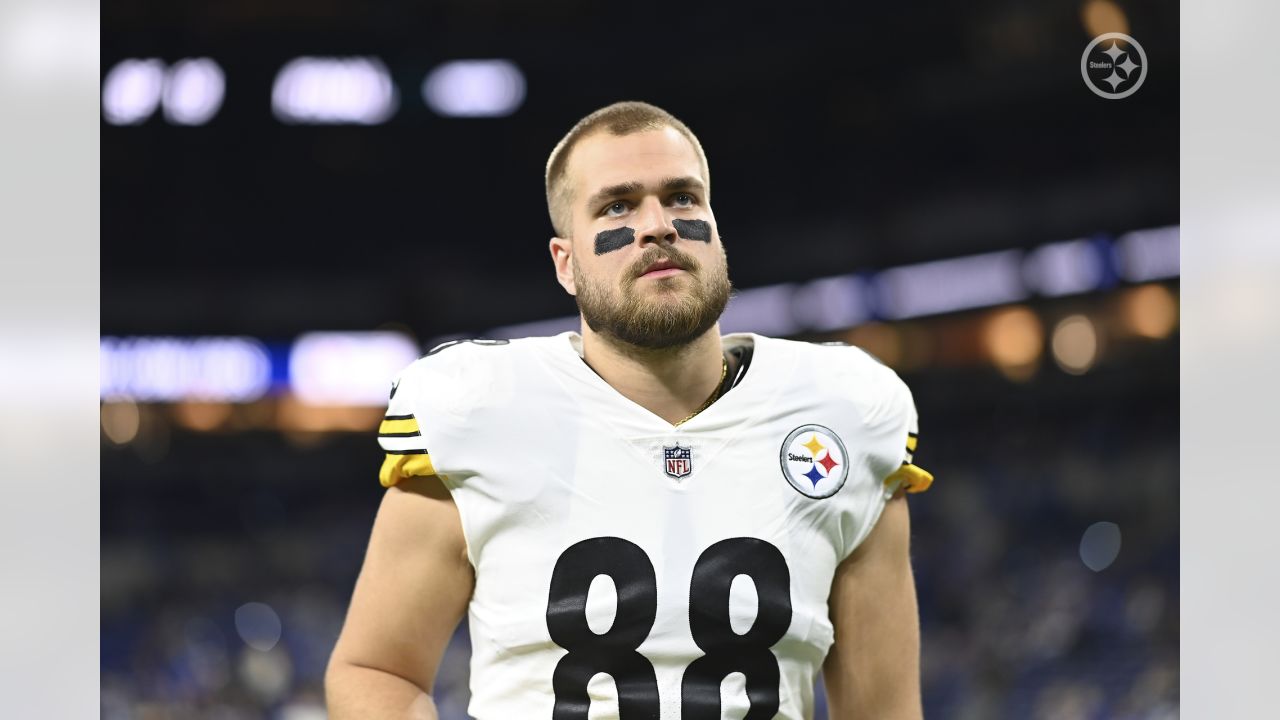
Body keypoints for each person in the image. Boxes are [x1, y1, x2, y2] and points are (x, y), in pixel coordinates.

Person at [325, 101, 934, 720]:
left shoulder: (845, 410)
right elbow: (378, 670)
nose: (658, 225)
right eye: (617, 205)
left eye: (682, 198)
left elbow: (883, 711)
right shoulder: (479, 410)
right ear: (566, 263)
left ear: (717, 231)